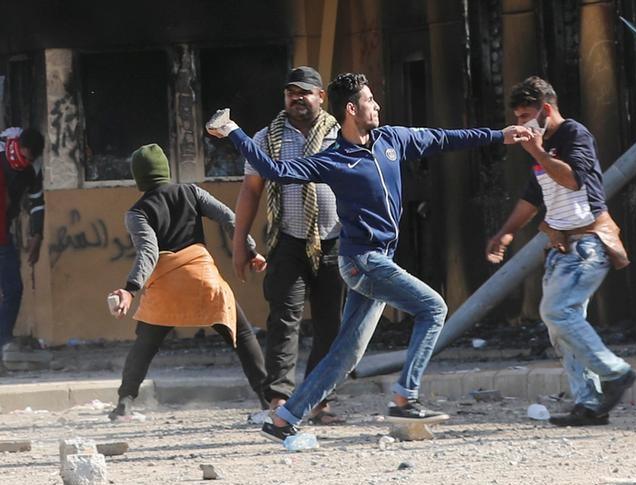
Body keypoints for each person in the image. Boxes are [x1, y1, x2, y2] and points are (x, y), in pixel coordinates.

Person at [207, 72, 532, 443]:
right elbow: (274, 171)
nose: (376, 106)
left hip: (376, 261)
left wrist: (499, 135)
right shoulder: (332, 160)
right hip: (363, 261)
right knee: (434, 308)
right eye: (369, 101)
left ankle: (284, 419)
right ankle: (405, 397)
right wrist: (233, 130)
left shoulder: (392, 139)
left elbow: (443, 138)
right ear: (351, 109)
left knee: (345, 354)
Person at [485, 76, 636, 426]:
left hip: (588, 243)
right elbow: (533, 195)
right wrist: (506, 233)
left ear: (546, 110)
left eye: (526, 115)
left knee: (557, 311)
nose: (521, 124)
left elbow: (573, 180)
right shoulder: (542, 145)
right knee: (561, 326)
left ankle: (615, 373)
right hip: (561, 247)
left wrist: (537, 150)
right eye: (518, 116)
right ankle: (589, 404)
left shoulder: (574, 135)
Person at [107, 143, 268, 420]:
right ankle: (269, 400)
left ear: (139, 178)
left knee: (144, 345)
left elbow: (149, 251)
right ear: (165, 170)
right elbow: (230, 218)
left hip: (165, 284)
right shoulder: (191, 192)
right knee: (241, 335)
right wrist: (250, 249)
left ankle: (125, 401)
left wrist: (131, 289)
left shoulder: (136, 212)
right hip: (203, 279)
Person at [234, 66, 344, 425]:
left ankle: (319, 399)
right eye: (290, 93)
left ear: (320, 97)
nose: (297, 98)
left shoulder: (341, 135)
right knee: (284, 320)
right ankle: (280, 398)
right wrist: (240, 243)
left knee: (331, 324)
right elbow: (251, 191)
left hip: (335, 242)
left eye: (305, 92)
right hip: (288, 240)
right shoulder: (266, 138)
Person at [0, 127, 45, 355]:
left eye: (31, 160)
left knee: (13, 288)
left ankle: (4, 341)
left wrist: (37, 233)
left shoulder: (32, 168)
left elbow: (36, 200)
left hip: (3, 231)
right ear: (18, 146)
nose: (26, 163)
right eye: (25, 157)